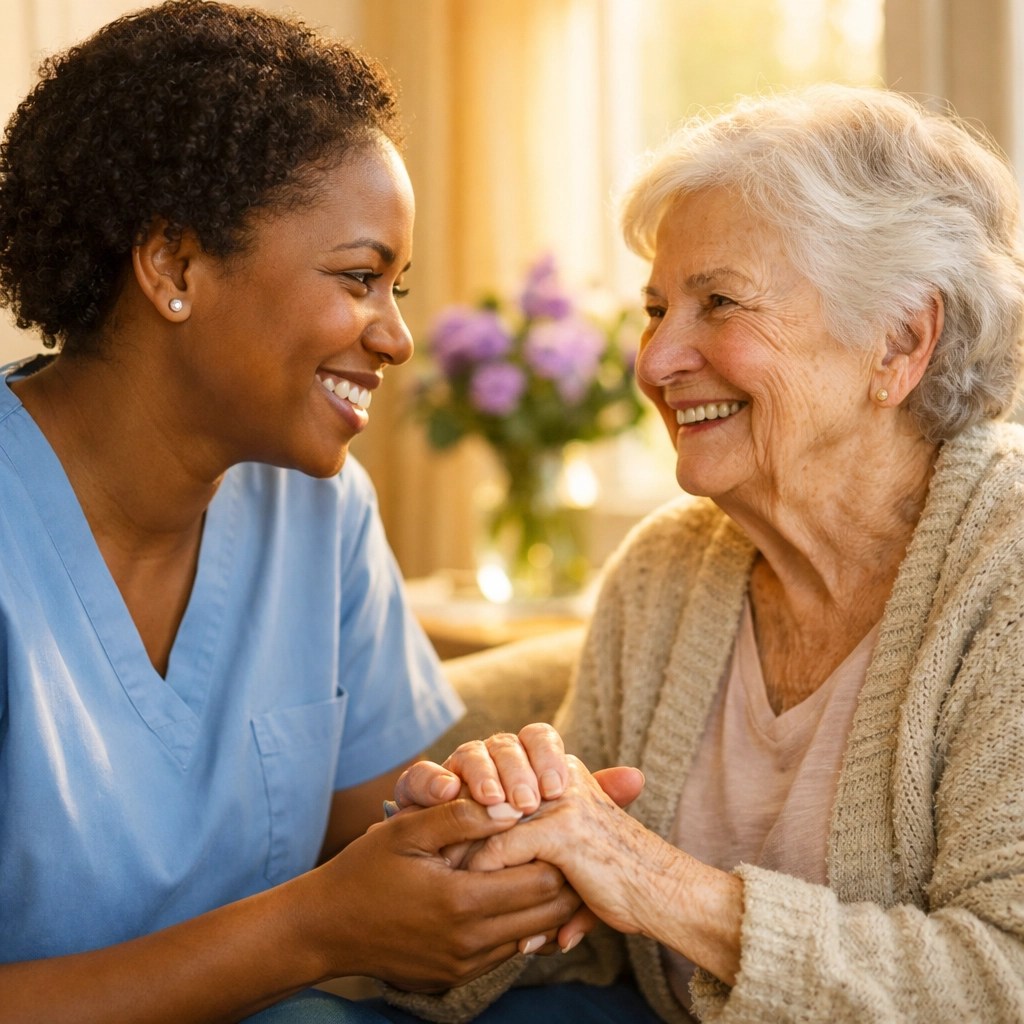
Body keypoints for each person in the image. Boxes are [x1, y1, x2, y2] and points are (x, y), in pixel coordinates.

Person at [0, 2, 591, 1020]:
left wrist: (486, 845)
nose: (397, 338)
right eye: (360, 278)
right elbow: (327, 920)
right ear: (174, 265)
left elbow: (377, 837)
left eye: (399, 288)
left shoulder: (319, 509)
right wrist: (311, 929)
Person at [387, 85, 1024, 1023]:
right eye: (657, 309)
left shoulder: (1005, 571)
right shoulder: (665, 571)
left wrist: (654, 879)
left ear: (900, 341)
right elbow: (593, 921)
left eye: (719, 302)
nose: (654, 362)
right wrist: (484, 857)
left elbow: (1005, 976)